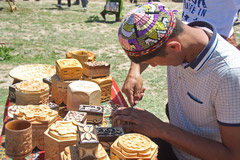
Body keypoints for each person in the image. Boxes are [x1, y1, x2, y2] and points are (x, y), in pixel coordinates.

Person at [114, 2, 240, 160]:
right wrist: (135, 72)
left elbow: (233, 155)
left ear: (174, 47)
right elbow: (146, 40)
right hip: (174, 147)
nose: (152, 65)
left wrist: (162, 129)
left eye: (153, 61)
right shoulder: (178, 31)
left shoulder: (230, 74)